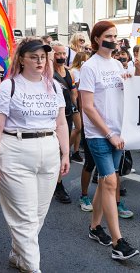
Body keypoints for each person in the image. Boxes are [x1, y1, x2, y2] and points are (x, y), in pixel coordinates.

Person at [0, 38, 70, 272]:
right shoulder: (8, 86)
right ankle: (33, 268)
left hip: (49, 151)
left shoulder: (54, 86)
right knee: (25, 217)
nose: (39, 61)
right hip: (15, 151)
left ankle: (18, 254)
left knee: (38, 215)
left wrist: (65, 153)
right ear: (21, 59)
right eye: (34, 57)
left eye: (43, 57)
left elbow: (61, 123)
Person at [80, 20, 139, 260]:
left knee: (106, 182)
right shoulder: (89, 67)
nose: (113, 40)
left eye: (115, 36)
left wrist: (129, 81)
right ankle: (118, 242)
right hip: (99, 134)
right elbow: (87, 106)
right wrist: (109, 134)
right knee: (111, 183)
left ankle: (95, 227)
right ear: (96, 40)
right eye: (108, 35)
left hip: (118, 133)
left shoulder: (117, 64)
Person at [52, 41, 78, 205]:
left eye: (64, 54)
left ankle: (58, 184)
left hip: (66, 116)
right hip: (50, 119)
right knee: (52, 152)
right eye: (58, 54)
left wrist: (77, 110)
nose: (62, 57)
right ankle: (52, 183)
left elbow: (74, 94)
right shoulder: (48, 73)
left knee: (62, 151)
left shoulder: (69, 73)